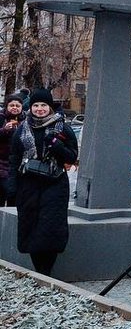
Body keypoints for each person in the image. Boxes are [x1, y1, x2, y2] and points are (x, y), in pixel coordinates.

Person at [7, 89, 77, 276]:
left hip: (54, 184)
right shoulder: (22, 128)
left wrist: (57, 145)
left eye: (43, 105)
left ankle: (47, 271)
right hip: (28, 185)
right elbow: (14, 158)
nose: (39, 109)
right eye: (36, 105)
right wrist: (12, 185)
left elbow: (72, 156)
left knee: (51, 227)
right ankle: (39, 272)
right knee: (30, 227)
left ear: (50, 107)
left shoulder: (63, 128)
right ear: (31, 107)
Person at [0, 94, 27, 207]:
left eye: (17, 105)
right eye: (11, 105)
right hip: (2, 162)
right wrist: (4, 130)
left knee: (14, 194)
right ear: (7, 106)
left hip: (18, 163)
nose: (14, 107)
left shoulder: (26, 121)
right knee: (3, 191)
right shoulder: (1, 118)